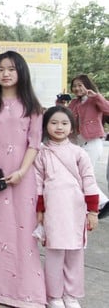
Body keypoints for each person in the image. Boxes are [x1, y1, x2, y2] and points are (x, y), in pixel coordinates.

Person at [0, 50, 46, 307]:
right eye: (1, 69)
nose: (6, 74)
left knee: (22, 234)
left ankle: (25, 291)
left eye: (11, 69)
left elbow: (34, 144)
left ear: (21, 72)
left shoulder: (33, 107)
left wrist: (23, 172)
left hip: (23, 180)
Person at [35, 106, 100, 308]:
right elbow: (37, 183)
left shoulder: (79, 153)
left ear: (72, 128)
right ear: (46, 126)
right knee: (54, 255)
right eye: (54, 123)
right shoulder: (41, 153)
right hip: (53, 211)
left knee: (74, 254)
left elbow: (89, 181)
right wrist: (39, 210)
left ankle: (71, 295)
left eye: (64, 123)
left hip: (76, 211)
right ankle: (54, 296)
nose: (59, 127)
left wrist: (93, 211)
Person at [69, 75, 109, 180]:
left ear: (87, 85)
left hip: (92, 142)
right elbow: (65, 118)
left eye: (80, 85)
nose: (77, 88)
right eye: (74, 86)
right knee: (75, 173)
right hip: (76, 142)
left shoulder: (95, 100)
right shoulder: (74, 103)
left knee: (86, 174)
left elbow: (107, 109)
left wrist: (96, 96)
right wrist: (60, 104)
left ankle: (92, 195)